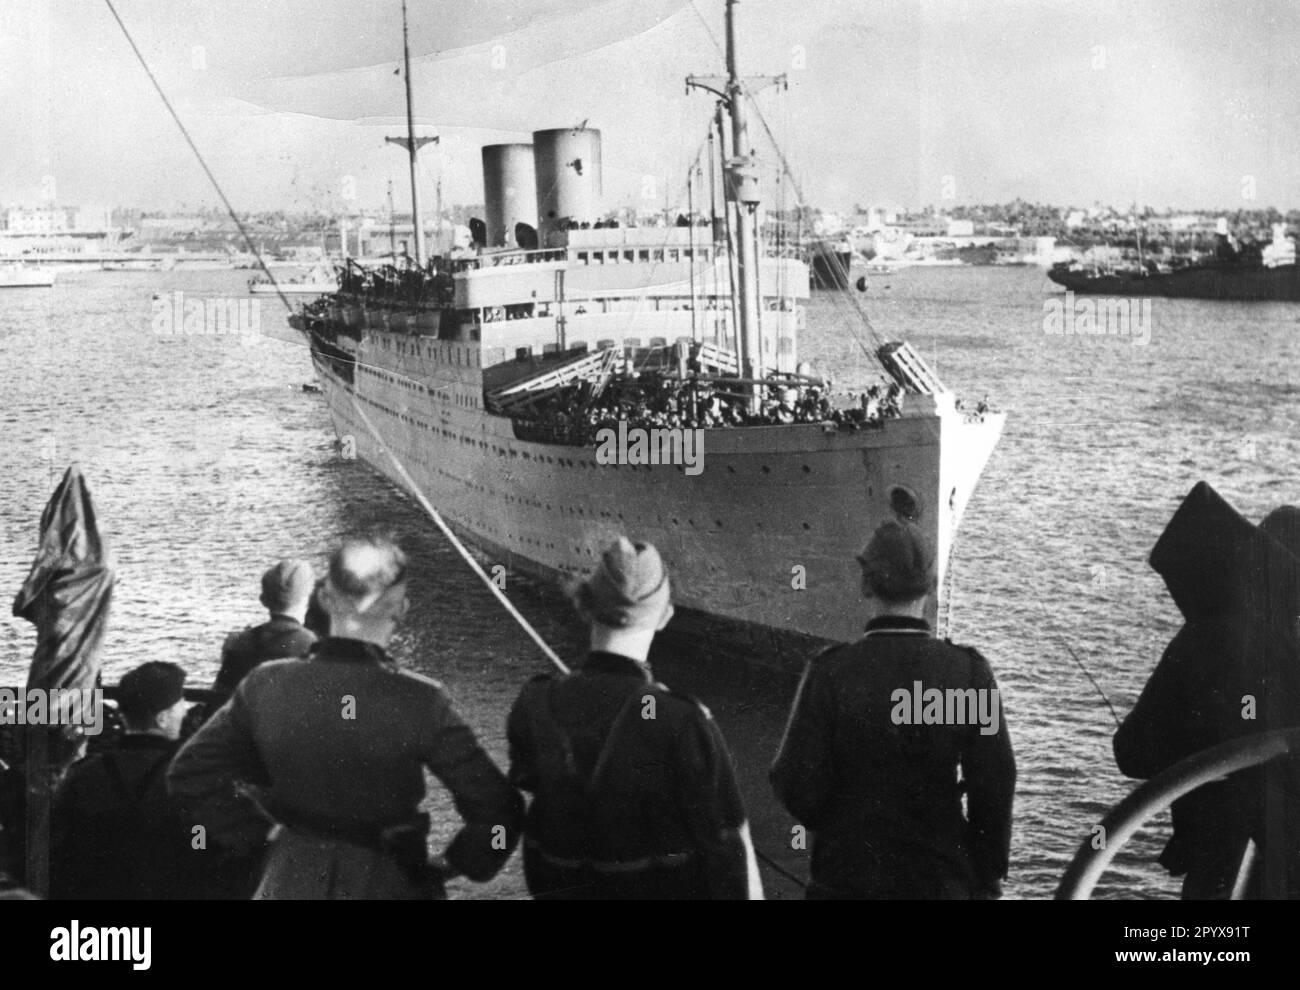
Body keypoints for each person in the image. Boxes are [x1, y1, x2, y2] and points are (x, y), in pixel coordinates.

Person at [168, 536, 523, 899]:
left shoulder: (265, 683)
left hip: (289, 877)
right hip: (389, 880)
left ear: (324, 599)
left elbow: (190, 773)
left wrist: (262, 836)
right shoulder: (421, 699)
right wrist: (456, 862)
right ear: (401, 608)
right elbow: (500, 807)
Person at [770, 520, 1016, 898]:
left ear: (866, 583)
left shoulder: (830, 672)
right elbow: (995, 784)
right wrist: (987, 875)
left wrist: (842, 825)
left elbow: (792, 781)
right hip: (941, 881)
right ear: (932, 587)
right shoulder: (968, 673)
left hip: (845, 879)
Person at [507, 537, 762, 899]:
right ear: (665, 617)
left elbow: (526, 784)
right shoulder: (682, 720)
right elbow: (730, 849)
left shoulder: (535, 701)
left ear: (584, 605)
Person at [1114, 494, 1300, 899]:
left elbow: (1131, 752)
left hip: (1216, 864)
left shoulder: (1203, 637)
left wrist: (1197, 750)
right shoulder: (1288, 647)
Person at [50, 662, 244, 899]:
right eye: (180, 704)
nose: (184, 710)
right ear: (162, 718)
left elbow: (63, 853)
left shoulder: (82, 776)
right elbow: (202, 845)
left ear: (122, 715)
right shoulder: (194, 778)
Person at [212, 559, 317, 700]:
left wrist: (227, 657)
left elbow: (218, 700)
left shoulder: (241, 642)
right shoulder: (313, 645)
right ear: (306, 597)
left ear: (265, 599)